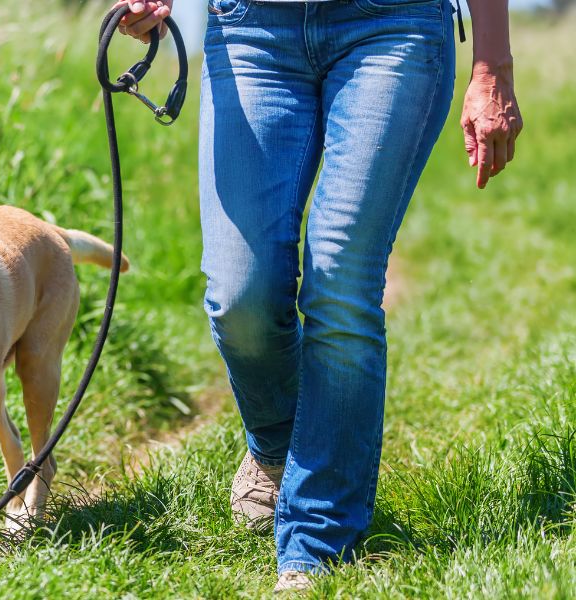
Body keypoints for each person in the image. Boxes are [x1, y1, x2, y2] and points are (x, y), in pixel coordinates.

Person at [115, 0, 522, 591]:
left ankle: (315, 540)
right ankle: (279, 446)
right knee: (239, 294)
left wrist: (492, 65)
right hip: (250, 29)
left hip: (393, 26)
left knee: (341, 283)